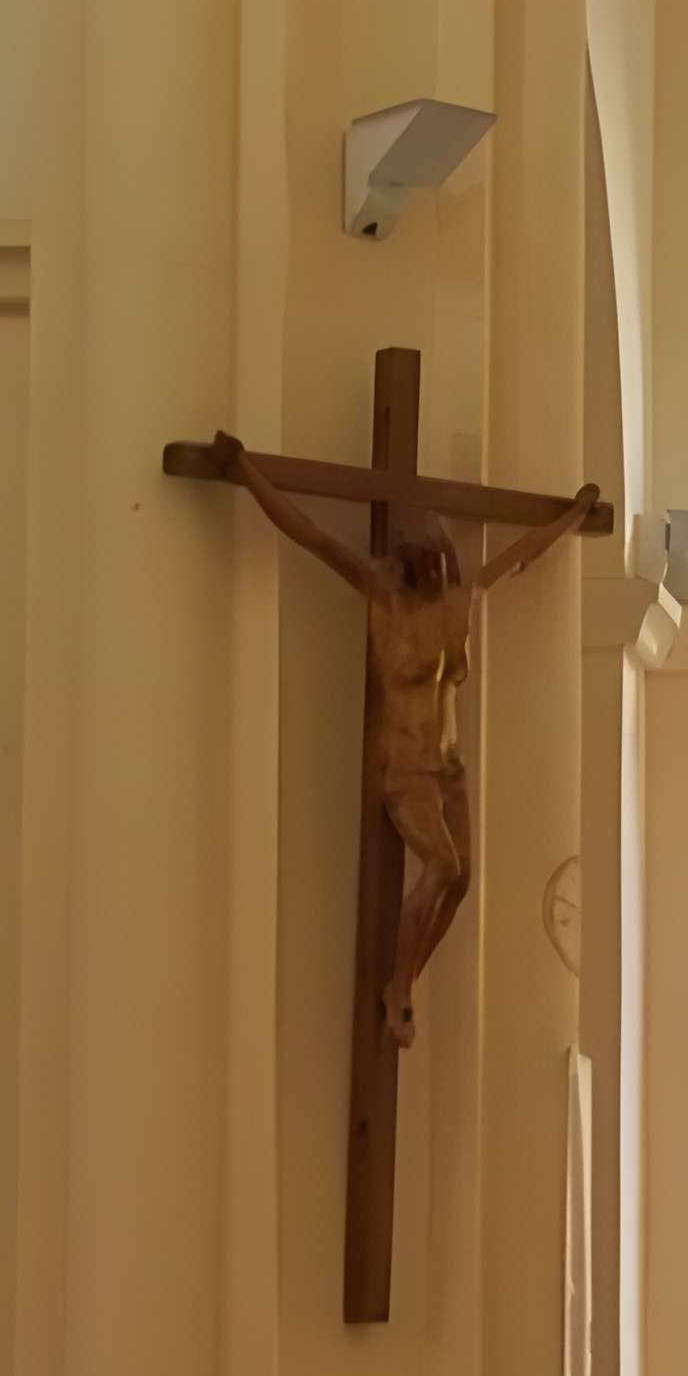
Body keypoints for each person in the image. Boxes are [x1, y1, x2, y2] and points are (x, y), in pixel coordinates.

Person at [209, 432, 598, 1044]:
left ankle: (406, 978)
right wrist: (246, 470)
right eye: (430, 553)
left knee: (462, 881)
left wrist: (574, 515)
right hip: (406, 766)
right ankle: (399, 989)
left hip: (448, 765)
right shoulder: (380, 594)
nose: (440, 561)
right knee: (441, 865)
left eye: (441, 553)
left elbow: (523, 553)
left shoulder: (460, 601)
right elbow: (306, 531)